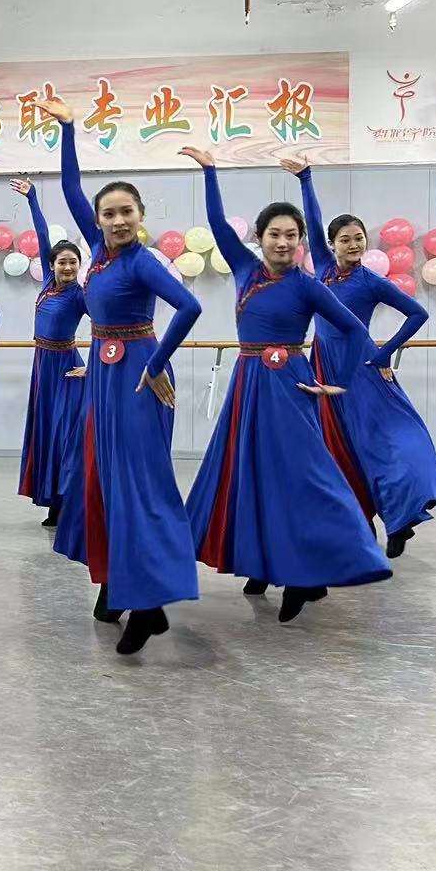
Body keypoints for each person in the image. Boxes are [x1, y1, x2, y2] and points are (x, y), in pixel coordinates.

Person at [179, 147, 391, 623]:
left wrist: (340, 381)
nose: (283, 242)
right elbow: (216, 224)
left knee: (298, 477)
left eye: (291, 235)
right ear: (260, 238)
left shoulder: (308, 284)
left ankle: (303, 575)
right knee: (249, 473)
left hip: (292, 386)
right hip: (248, 383)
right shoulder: (243, 268)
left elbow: (354, 329)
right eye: (275, 234)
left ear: (300, 241)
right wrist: (210, 172)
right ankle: (260, 561)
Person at [54, 113, 202, 655]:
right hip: (105, 374)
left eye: (127, 212)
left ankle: (148, 601)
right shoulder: (97, 253)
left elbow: (189, 306)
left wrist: (157, 363)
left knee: (138, 486)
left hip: (138, 375)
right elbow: (70, 186)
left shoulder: (141, 263)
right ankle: (116, 584)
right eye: (109, 213)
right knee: (104, 481)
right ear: (98, 220)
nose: (118, 221)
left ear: (140, 217)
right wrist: (68, 129)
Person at [287, 158, 436, 559]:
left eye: (359, 238)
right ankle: (357, 525)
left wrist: (386, 354)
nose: (354, 244)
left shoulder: (371, 281)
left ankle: (401, 518)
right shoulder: (323, 268)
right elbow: (312, 219)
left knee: (382, 444)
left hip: (362, 368)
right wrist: (305, 178)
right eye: (346, 239)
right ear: (332, 244)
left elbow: (418, 314)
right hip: (324, 365)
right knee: (339, 451)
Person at [9, 177, 88, 529]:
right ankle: (52, 501)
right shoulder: (46, 283)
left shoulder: (80, 295)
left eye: (73, 263)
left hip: (66, 371)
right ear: (52, 265)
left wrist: (93, 367)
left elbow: (108, 327)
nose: (68, 268)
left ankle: (66, 502)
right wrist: (33, 198)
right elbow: (42, 235)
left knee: (62, 439)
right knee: (44, 435)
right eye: (62, 263)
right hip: (42, 369)